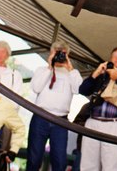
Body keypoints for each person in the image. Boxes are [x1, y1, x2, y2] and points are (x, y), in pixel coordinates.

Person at [27, 41, 83, 171]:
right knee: (34, 159)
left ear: (67, 55)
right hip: (40, 117)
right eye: (56, 52)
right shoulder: (42, 70)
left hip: (60, 121)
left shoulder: (72, 73)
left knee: (59, 161)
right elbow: (36, 88)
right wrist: (49, 67)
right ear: (51, 53)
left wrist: (69, 67)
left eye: (62, 53)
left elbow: (78, 89)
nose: (59, 56)